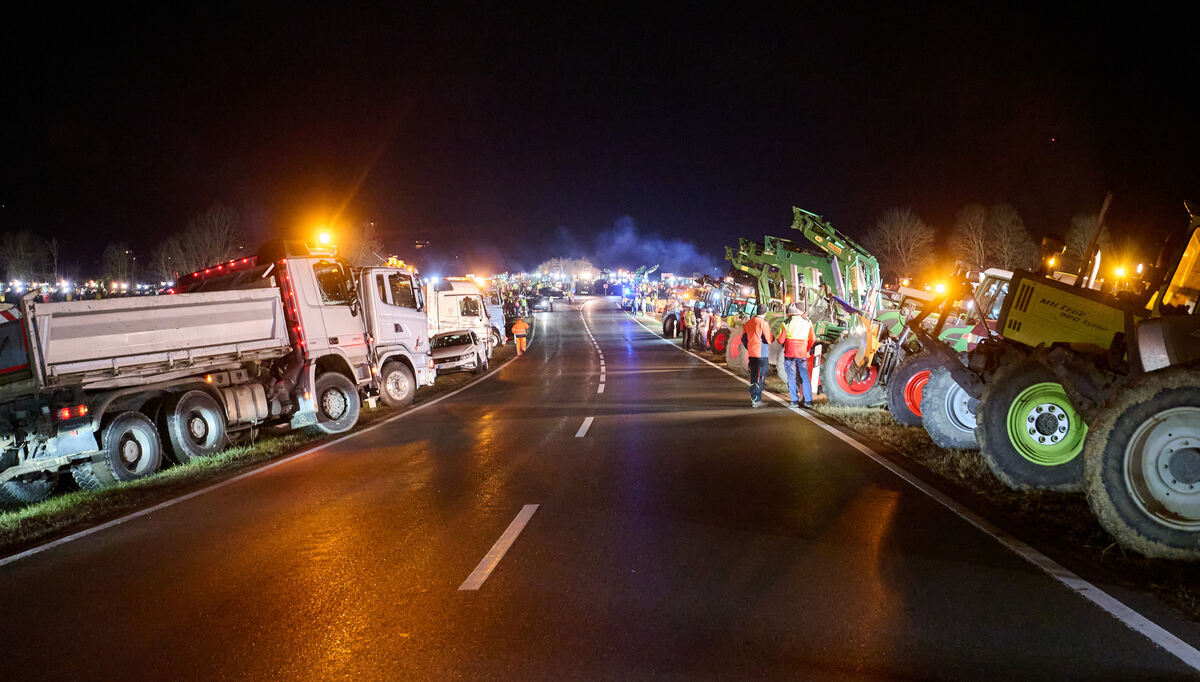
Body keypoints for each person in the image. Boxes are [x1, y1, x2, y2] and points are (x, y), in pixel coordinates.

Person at [778, 304, 816, 407]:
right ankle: (808, 401)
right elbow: (813, 338)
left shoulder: (785, 323)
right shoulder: (808, 322)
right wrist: (806, 349)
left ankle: (794, 401)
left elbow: (780, 340)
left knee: (791, 378)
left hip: (790, 354)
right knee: (805, 377)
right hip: (802, 354)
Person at [742, 309, 773, 407]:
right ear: (765, 313)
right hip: (761, 354)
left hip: (752, 354)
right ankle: (756, 399)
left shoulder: (748, 323)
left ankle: (754, 398)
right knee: (760, 378)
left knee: (754, 376)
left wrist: (749, 347)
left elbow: (743, 338)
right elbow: (769, 339)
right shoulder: (763, 324)